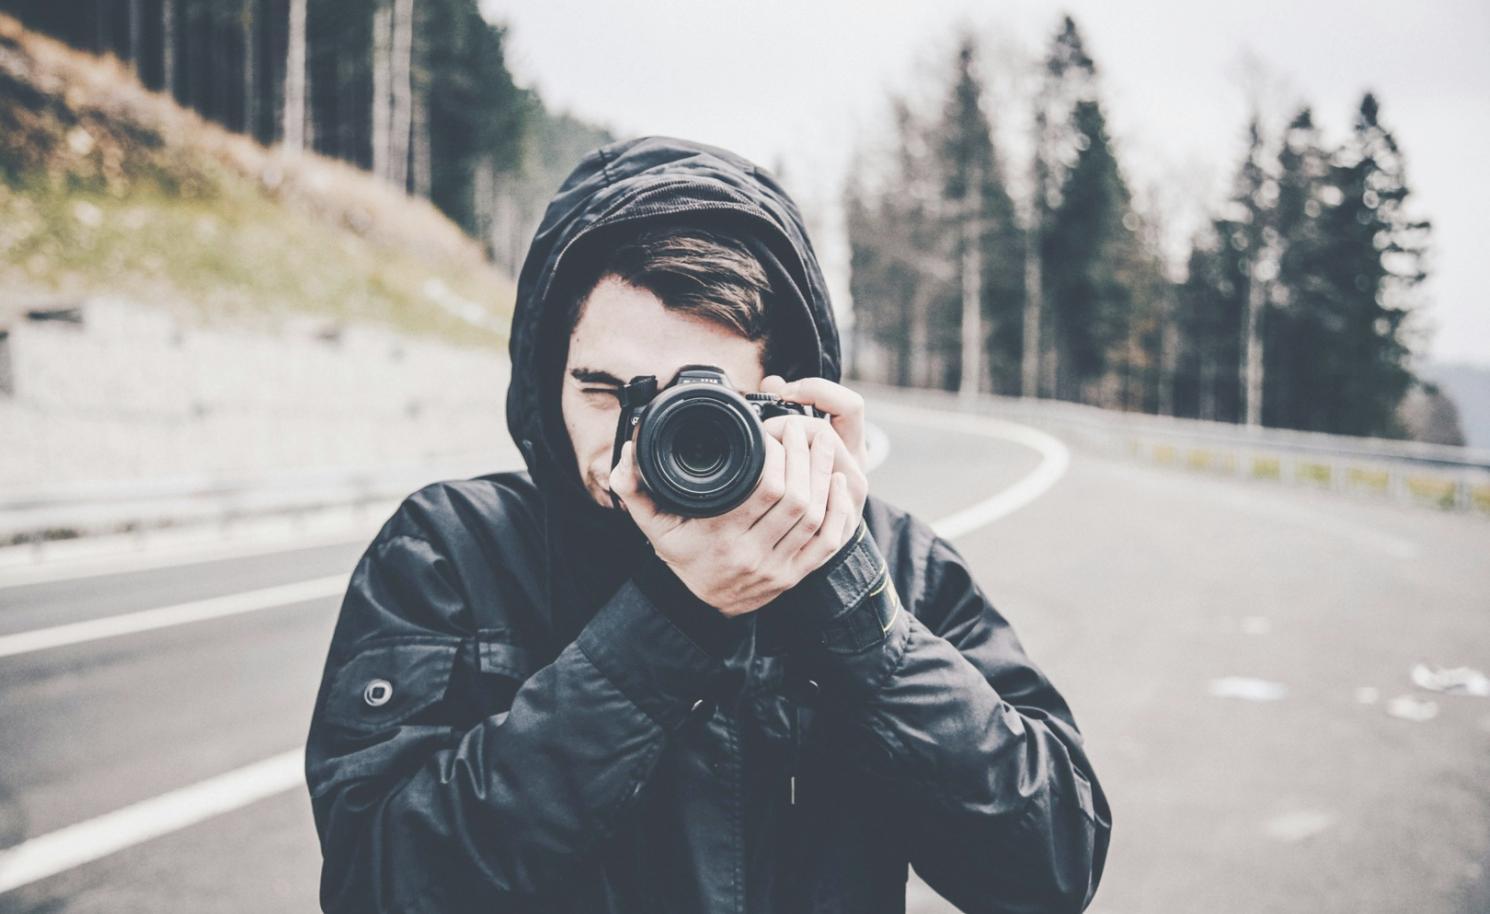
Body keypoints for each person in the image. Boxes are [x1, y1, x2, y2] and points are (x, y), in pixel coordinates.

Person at [304, 136, 1111, 914]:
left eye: (696, 407)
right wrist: (670, 617)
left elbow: (1050, 871)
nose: (635, 440)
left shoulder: (888, 562)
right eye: (603, 391)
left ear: (787, 399)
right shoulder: (451, 551)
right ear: (545, 376)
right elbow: (380, 881)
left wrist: (844, 596)